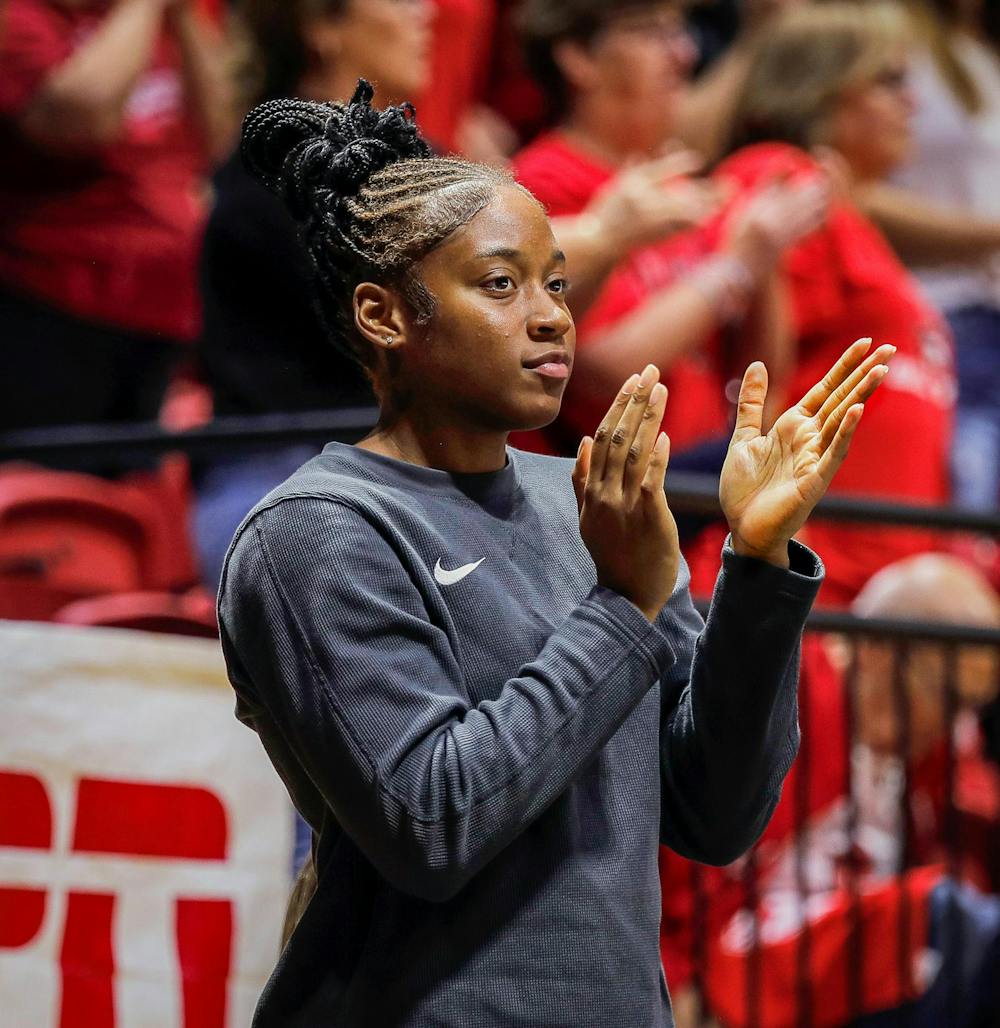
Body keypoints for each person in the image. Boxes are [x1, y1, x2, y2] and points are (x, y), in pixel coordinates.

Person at [217, 80, 893, 1025]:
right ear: (384, 316)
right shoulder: (320, 530)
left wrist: (757, 566)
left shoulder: (585, 497)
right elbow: (433, 822)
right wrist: (623, 606)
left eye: (558, 284)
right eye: (501, 284)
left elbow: (716, 812)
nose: (550, 317)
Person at [687, 555, 1000, 1027]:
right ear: (875, 650)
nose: (955, 726)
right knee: (950, 919)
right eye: (949, 696)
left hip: (858, 977)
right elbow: (688, 870)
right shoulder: (789, 703)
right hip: (754, 972)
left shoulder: (920, 753)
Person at [513, 0, 829, 462]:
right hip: (615, 489)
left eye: (680, 31)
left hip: (699, 486)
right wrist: (735, 266)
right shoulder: (542, 184)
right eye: (651, 31)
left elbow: (762, 384)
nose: (684, 52)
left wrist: (764, 251)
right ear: (579, 58)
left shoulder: (681, 184)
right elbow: (605, 370)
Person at [717, 1, 956, 607]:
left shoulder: (849, 215)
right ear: (819, 90)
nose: (913, 103)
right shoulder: (785, 181)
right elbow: (753, 367)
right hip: (813, 582)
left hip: (873, 589)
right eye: (889, 80)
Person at [0, 0, 232, 432]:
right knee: (52, 493)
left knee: (139, 495)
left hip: (168, 314)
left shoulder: (165, 17)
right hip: (54, 313)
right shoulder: (22, 16)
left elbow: (224, 134)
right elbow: (82, 119)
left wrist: (182, 19)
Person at [859, 0, 1000, 512]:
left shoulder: (980, 50)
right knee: (966, 510)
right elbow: (852, 188)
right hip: (941, 308)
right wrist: (991, 235)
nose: (906, 102)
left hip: (987, 311)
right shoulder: (892, 36)